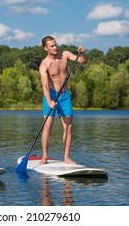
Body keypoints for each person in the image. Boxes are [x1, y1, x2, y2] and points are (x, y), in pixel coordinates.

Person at [39, 35, 87, 165]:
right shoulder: (44, 64)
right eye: (52, 46)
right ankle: (44, 156)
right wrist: (49, 101)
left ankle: (66, 157)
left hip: (65, 95)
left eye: (55, 44)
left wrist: (83, 53)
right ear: (45, 48)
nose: (55, 47)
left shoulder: (65, 55)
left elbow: (83, 61)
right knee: (48, 126)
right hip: (51, 94)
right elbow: (44, 85)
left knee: (68, 127)